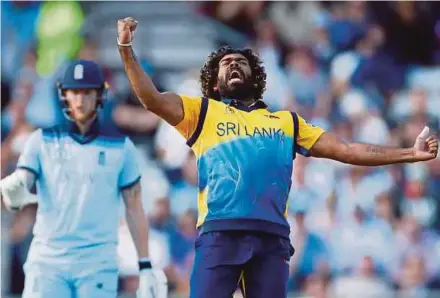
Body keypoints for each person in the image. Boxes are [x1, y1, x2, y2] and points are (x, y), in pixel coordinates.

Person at [116, 17, 439, 298]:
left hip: (270, 238)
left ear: (255, 77)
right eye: (225, 63)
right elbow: (151, 99)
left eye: (240, 62)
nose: (233, 64)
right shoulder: (202, 112)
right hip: (220, 232)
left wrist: (410, 153)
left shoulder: (287, 121)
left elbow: (348, 149)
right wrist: (126, 51)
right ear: (214, 82)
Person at [0, 59, 167, 298]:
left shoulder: (121, 147)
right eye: (73, 92)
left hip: (97, 263)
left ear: (99, 95)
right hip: (49, 261)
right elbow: (21, 181)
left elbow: (134, 208)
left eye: (86, 92)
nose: (79, 100)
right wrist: (13, 189)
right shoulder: (40, 141)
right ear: (63, 95)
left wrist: (145, 265)